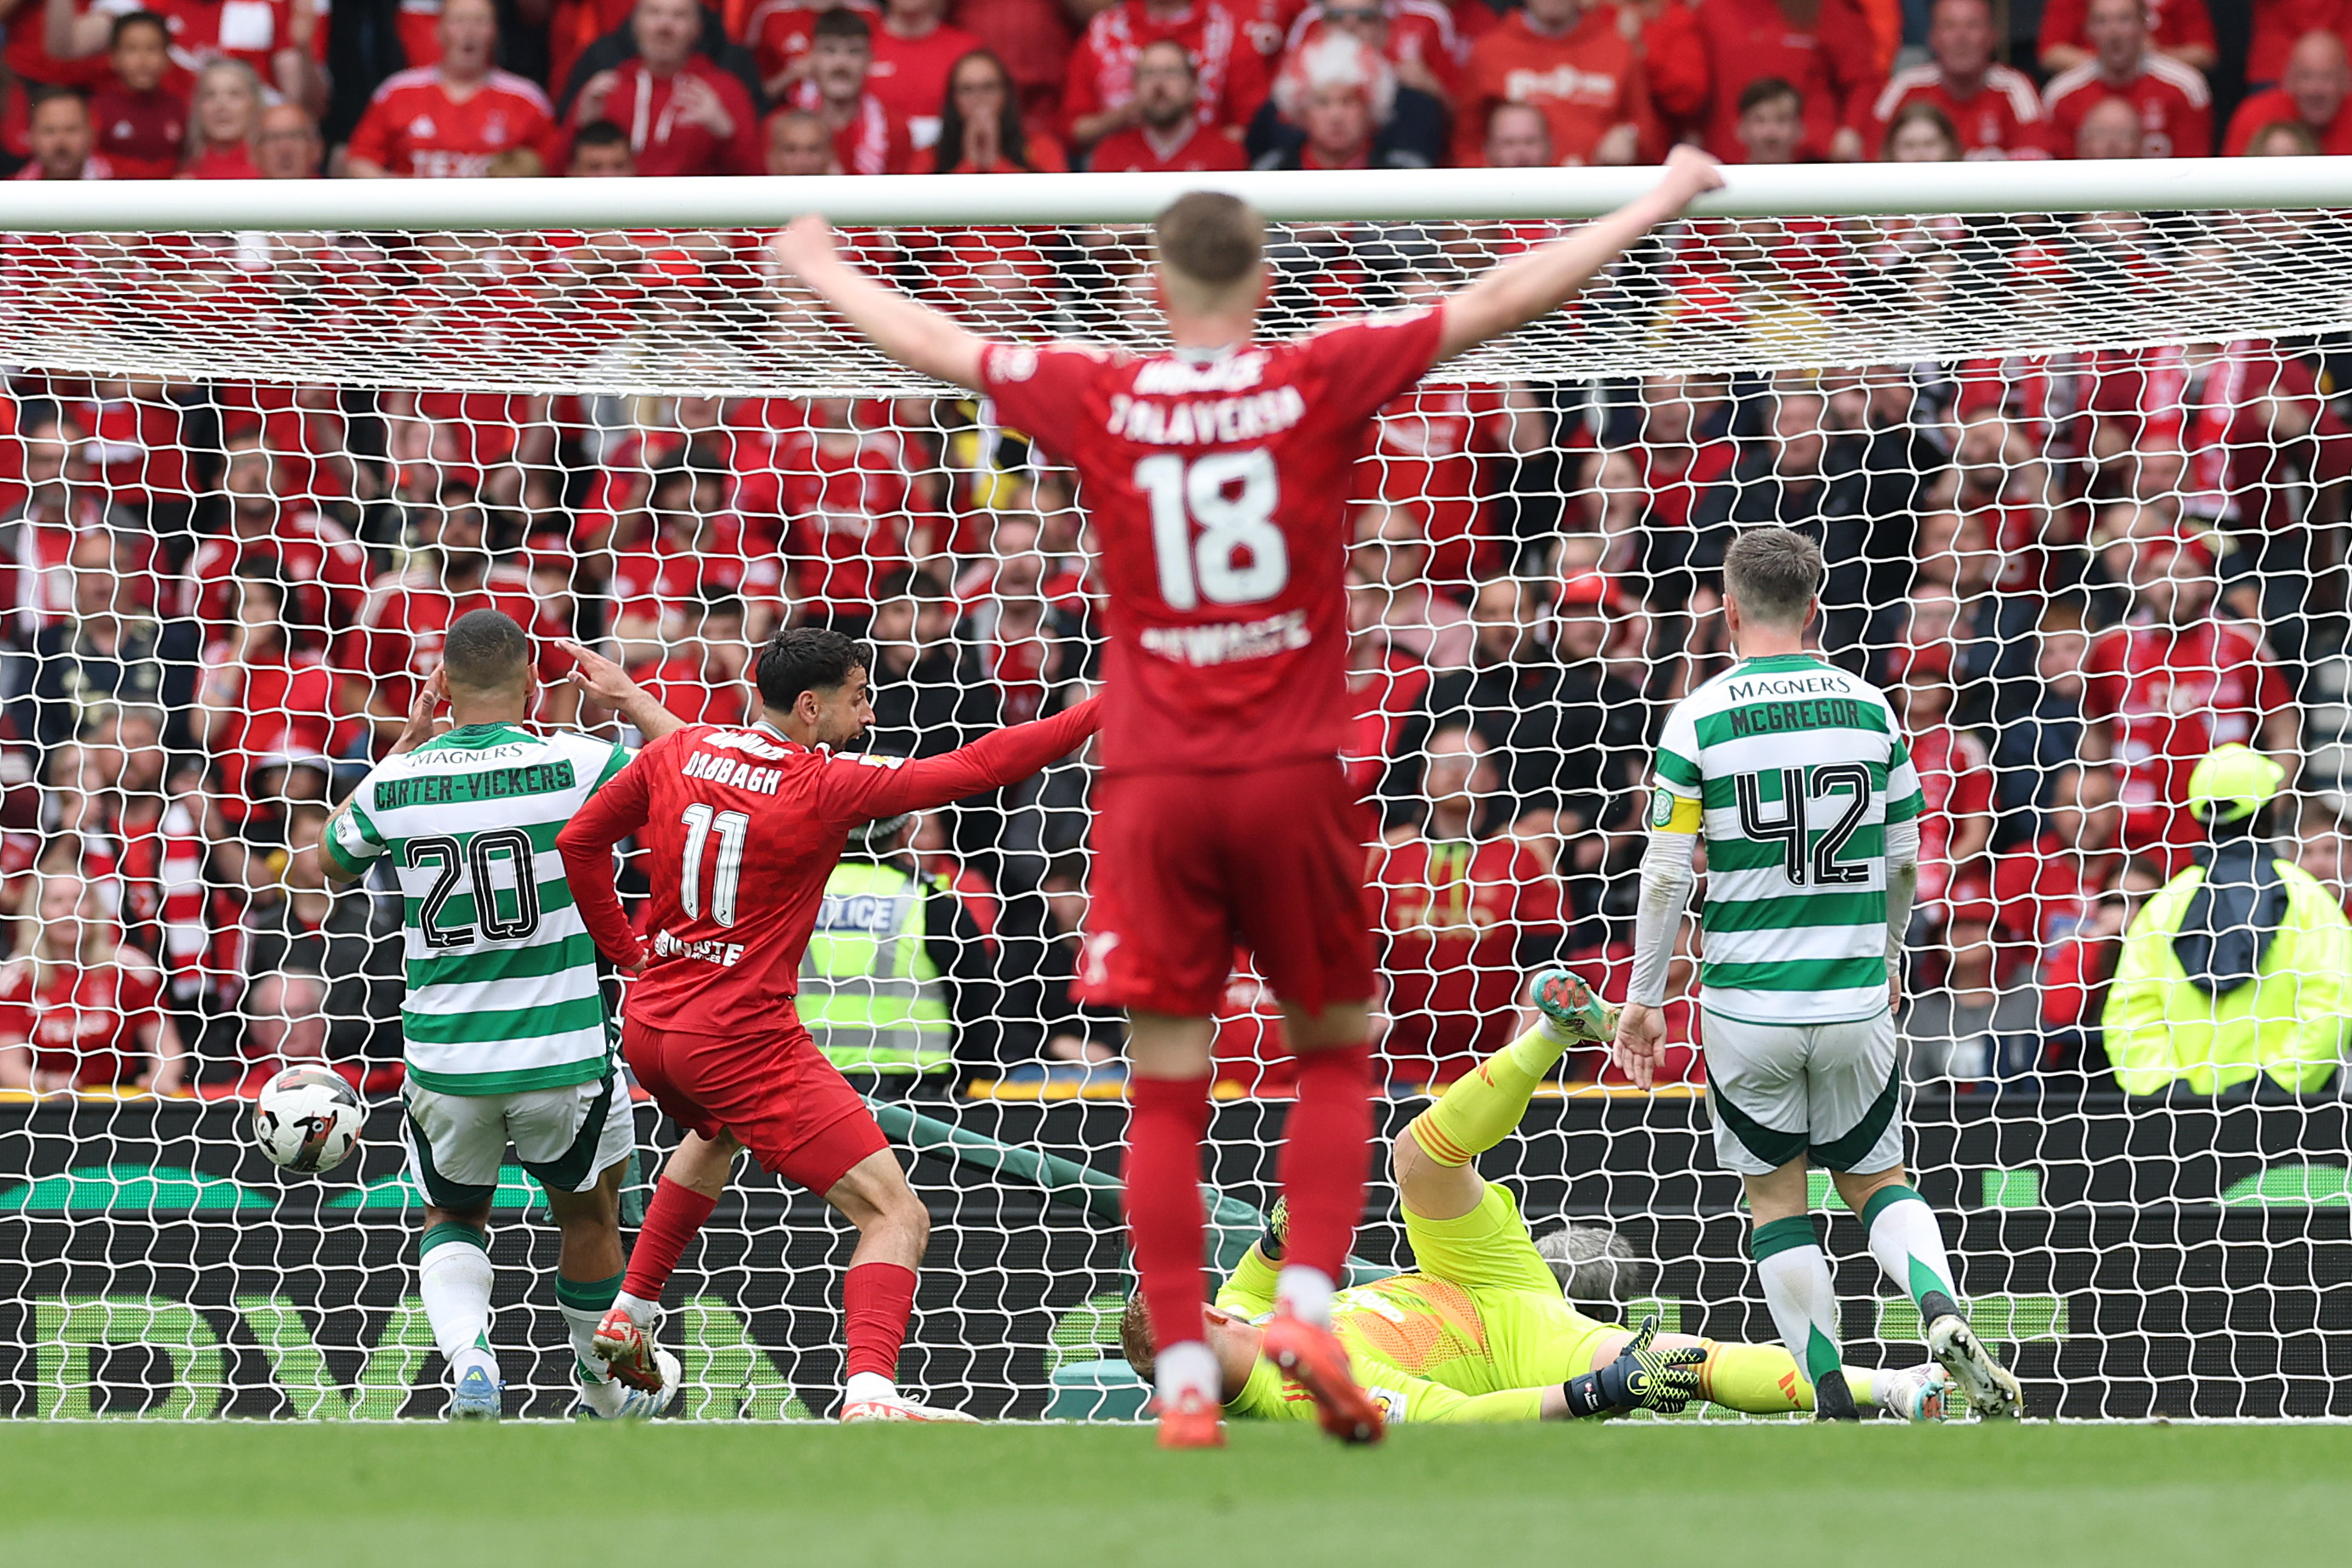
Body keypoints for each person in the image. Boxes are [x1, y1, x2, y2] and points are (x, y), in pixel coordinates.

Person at [768, 144, 1728, 1448]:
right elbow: (1508, 297)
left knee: (1167, 1088)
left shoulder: (1102, 390)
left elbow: (937, 344)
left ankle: (1180, 1372)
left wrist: (818, 261)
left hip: (1155, 783)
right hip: (1286, 773)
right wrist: (1661, 195)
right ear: (1265, 279)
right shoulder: (1308, 376)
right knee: (1339, 1051)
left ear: (1153, 288)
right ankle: (1309, 1318)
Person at [555, 627, 1102, 1424]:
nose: (868, 712)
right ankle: (871, 1394)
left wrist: (627, 953)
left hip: (650, 1031)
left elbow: (580, 839)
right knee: (896, 1213)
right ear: (810, 706)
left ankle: (628, 1316)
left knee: (715, 1135)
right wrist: (1103, 708)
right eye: (857, 696)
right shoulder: (827, 787)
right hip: (740, 1041)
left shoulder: (685, 749)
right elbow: (984, 766)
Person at [1119, 970, 1953, 1424]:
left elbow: (1267, 1256)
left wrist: (1281, 1225)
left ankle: (1549, 1032)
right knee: (1676, 1367)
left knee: (1416, 1155)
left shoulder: (1240, 1312)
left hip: (1453, 1272)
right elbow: (1459, 1424)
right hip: (1512, 1337)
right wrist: (1597, 1393)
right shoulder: (1300, 1394)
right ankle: (1898, 1388)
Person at [1614, 526, 2024, 1422]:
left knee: (1774, 1198)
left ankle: (1833, 1395)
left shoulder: (1698, 718)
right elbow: (1908, 860)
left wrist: (1645, 1001)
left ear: (1727, 609)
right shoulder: (1870, 709)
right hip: (1851, 997)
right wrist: (1883, 959)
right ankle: (1940, 1310)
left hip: (1746, 1003)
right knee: (1879, 1180)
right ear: (1814, 609)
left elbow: (1665, 872)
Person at [320, 612, 689, 1422]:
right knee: (588, 1214)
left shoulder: (398, 779)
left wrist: (402, 747)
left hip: (446, 1057)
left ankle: (471, 1361)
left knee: (452, 1213)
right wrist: (626, 697)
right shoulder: (579, 761)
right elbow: (693, 770)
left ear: (442, 687)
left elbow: (330, 858)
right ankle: (603, 1390)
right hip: (560, 1047)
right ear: (532, 684)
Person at [2104, 744, 2351, 1097]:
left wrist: (2166, 1090)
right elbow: (2333, 1007)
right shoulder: (2309, 899)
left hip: (2178, 1135)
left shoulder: (2165, 904)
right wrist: (2273, 1087)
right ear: (2269, 807)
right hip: (2288, 1128)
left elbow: (2130, 1012)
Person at [799, 810, 1005, 1079]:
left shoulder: (794, 897)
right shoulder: (932, 902)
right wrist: (968, 1078)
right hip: (914, 1091)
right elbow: (974, 1001)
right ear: (905, 831)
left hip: (810, 1081)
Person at [0, 866, 186, 1095]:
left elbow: (166, 1049)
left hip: (120, 1096)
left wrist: (161, 1077)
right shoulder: (15, 978)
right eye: (57, 901)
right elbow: (7, 1065)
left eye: (79, 899)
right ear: (38, 913)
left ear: (94, 908)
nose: (70, 909)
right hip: (44, 1103)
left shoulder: (131, 968)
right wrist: (47, 1082)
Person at [344, 0, 558, 178]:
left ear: (495, 32)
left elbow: (554, 165)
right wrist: (403, 198)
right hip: (414, 225)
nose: (469, 31)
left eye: (480, 21)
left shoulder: (526, 98)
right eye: (459, 21)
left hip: (497, 223)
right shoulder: (397, 91)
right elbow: (359, 159)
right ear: (438, 30)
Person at [564, 0, 762, 176]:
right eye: (654, 13)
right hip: (619, 211)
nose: (665, 26)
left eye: (679, 15)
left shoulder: (725, 90)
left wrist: (726, 134)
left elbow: (759, 176)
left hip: (696, 212)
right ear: (635, 23)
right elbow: (553, 170)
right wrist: (578, 125)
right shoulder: (606, 89)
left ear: (697, 28)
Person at [1453, 0, 1646, 167]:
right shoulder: (1488, 52)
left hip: (1598, 194)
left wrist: (1630, 135)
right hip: (1513, 197)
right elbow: (1466, 147)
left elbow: (1651, 136)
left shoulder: (1618, 49)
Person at [1869, 0, 2048, 161]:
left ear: (1993, 36)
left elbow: (2036, 163)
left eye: (1972, 26)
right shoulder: (1906, 87)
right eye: (1949, 26)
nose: (1961, 38)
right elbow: (1871, 160)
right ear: (1932, 38)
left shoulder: (2015, 88)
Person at [2042, 0, 2212, 160]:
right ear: (2088, 29)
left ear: (2143, 25)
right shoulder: (2061, 95)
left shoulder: (2184, 88)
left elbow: (2195, 172)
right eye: (2102, 21)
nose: (2113, 32)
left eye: (2124, 20)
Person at [1083, 38, 1250, 173]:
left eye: (1171, 72)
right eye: (1149, 73)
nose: (1159, 84)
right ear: (1134, 86)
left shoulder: (1226, 153)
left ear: (1194, 85)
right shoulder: (1110, 153)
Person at [87, 12, 185, 179]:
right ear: (113, 57)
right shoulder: (97, 108)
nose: (143, 60)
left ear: (167, 57)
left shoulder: (180, 108)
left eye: (152, 48)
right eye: (132, 49)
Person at [2222, 30, 2352, 156]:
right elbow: (2230, 176)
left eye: (2327, 77)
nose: (2316, 90)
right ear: (2289, 80)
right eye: (2306, 77)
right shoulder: (2255, 117)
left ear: (2346, 81)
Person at [16, 88, 111, 180]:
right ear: (31, 136)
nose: (60, 143)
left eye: (71, 130)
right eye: (49, 131)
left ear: (91, 134)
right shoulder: (10, 191)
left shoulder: (123, 181)